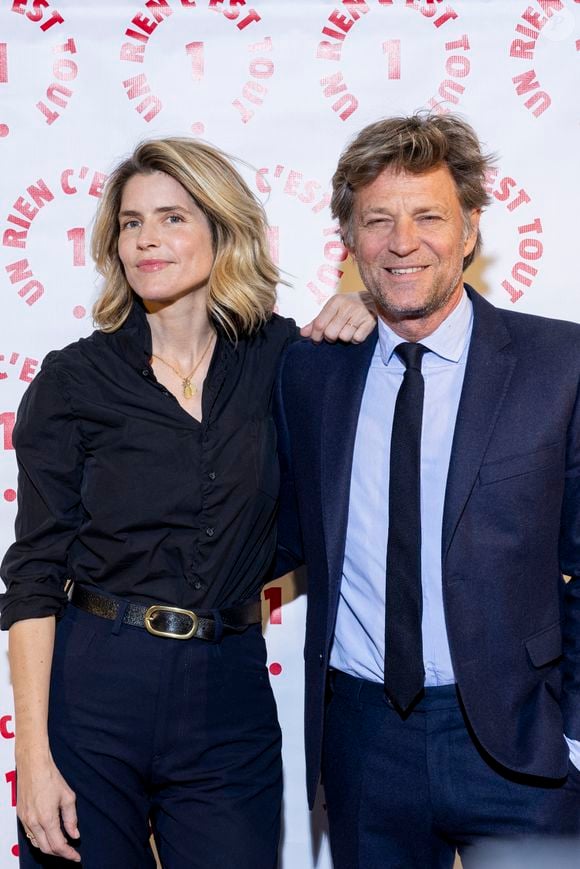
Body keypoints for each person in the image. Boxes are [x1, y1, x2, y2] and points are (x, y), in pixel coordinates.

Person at [0, 136, 376, 868]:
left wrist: (365, 308)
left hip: (228, 687)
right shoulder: (74, 380)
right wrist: (35, 757)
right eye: (131, 223)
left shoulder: (285, 358)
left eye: (171, 218)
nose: (146, 240)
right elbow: (34, 578)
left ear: (220, 230)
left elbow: (309, 518)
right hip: (94, 686)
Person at [274, 113, 580, 868]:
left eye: (428, 216)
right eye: (377, 220)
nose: (402, 241)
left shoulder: (559, 363)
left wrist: (572, 726)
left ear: (471, 228)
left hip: (524, 747)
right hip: (366, 744)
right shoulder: (311, 371)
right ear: (350, 241)